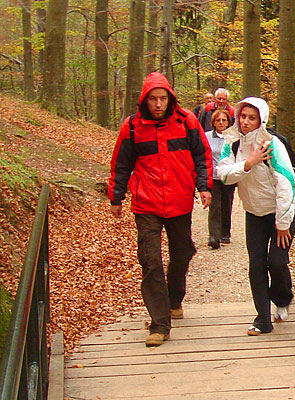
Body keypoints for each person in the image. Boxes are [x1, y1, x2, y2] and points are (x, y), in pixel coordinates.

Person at [108, 72, 213, 347]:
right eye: (153, 99)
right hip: (146, 203)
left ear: (170, 99)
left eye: (162, 98)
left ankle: (174, 297)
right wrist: (116, 197)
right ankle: (159, 324)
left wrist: (204, 186)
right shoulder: (132, 127)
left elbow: (202, 155)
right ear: (145, 99)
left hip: (179, 200)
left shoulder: (187, 121)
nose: (158, 104)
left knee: (183, 251)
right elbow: (121, 164)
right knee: (150, 260)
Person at [218, 97, 295, 336]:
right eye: (243, 116)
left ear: (261, 120)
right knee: (256, 264)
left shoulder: (272, 144)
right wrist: (248, 163)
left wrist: (283, 224)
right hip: (254, 212)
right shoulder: (232, 143)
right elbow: (223, 175)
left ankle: (283, 298)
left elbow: (286, 183)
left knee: (276, 260)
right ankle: (263, 319)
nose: (245, 122)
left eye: (251, 118)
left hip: (282, 211)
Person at [204, 109, 237, 249]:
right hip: (214, 176)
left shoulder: (234, 138)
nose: (221, 123)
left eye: (224, 120)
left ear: (229, 122)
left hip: (228, 176)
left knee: (226, 204)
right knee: (214, 205)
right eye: (218, 120)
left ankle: (225, 232)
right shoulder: (206, 137)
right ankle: (214, 236)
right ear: (214, 122)